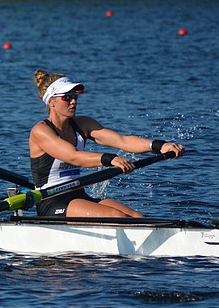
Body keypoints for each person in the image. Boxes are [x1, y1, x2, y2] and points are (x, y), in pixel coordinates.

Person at [29, 69, 185, 218]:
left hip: (79, 195)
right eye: (67, 97)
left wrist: (159, 146)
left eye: (75, 96)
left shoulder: (83, 124)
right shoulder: (41, 131)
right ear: (51, 102)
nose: (73, 101)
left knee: (137, 217)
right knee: (117, 216)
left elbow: (122, 140)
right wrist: (109, 159)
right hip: (52, 201)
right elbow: (73, 157)